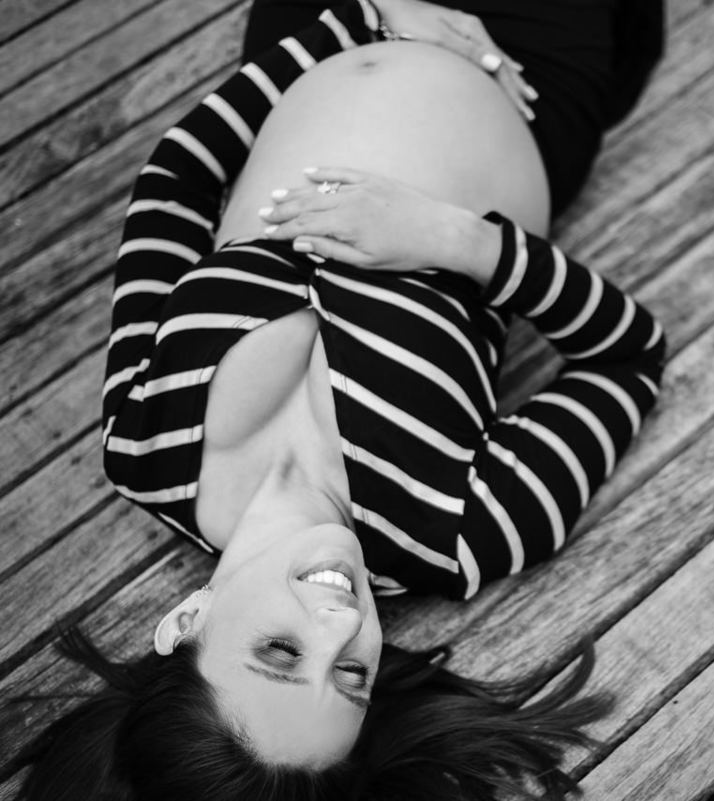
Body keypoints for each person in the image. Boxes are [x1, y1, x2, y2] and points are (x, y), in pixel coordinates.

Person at [14, 0, 665, 798]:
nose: (344, 624)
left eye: (281, 652)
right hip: (524, 68)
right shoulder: (462, 528)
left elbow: (175, 191)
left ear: (186, 625)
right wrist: (461, 242)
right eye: (352, 676)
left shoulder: (144, 446)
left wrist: (356, 23)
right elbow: (629, 357)